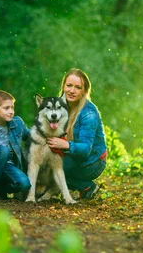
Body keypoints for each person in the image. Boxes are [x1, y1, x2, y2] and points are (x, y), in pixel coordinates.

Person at [46, 68, 107, 199]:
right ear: (63, 86)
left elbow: (85, 149)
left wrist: (66, 145)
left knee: (54, 168)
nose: (72, 90)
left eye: (77, 87)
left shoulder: (88, 113)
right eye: (69, 85)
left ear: (84, 91)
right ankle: (64, 186)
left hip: (93, 161)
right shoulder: (58, 106)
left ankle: (86, 186)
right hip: (72, 156)